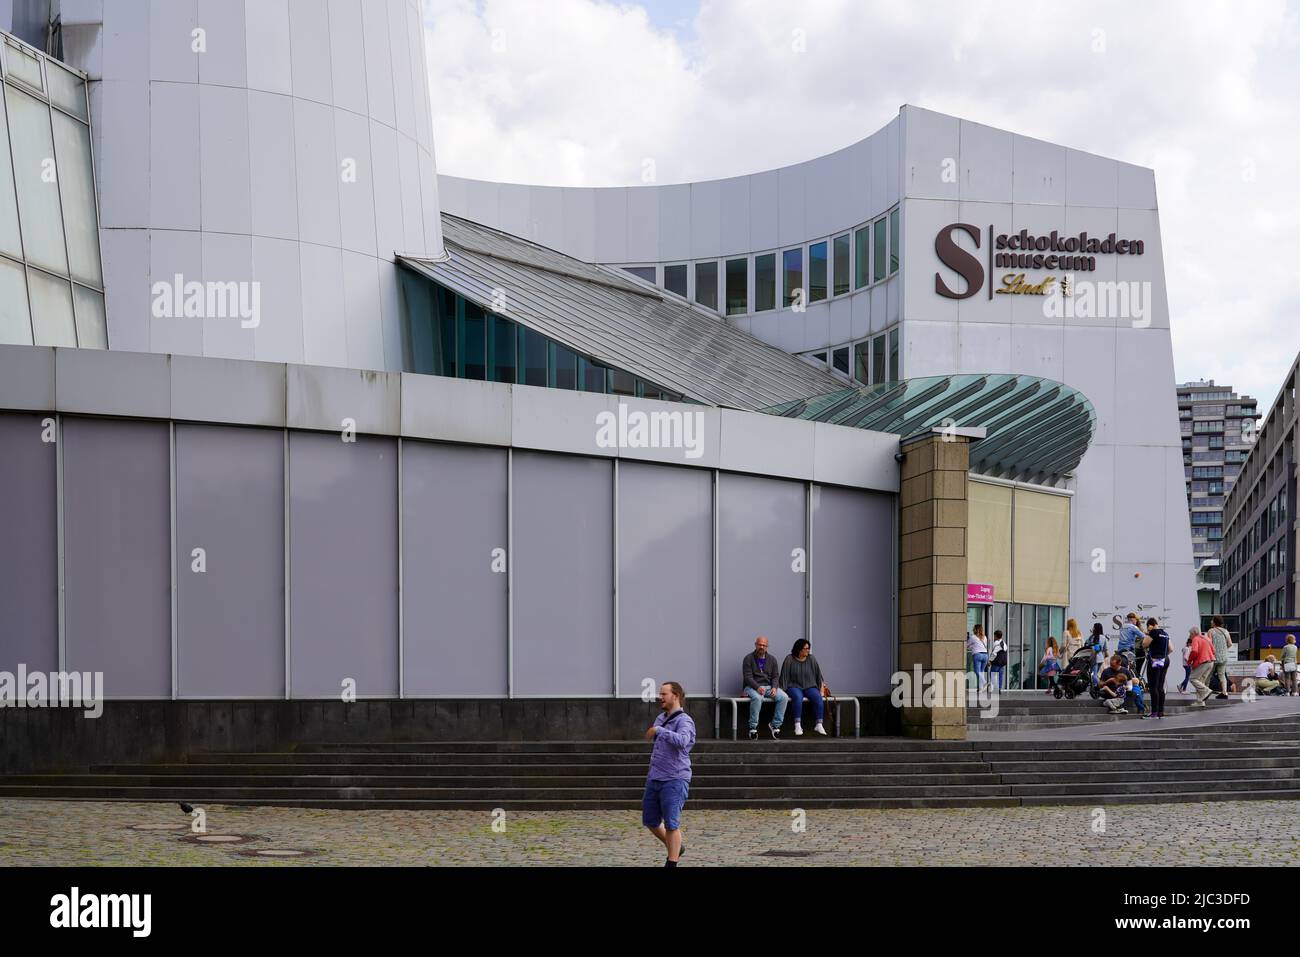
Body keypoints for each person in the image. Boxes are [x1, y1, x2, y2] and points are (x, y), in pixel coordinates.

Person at [643, 681, 695, 867]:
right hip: (655, 777)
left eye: (664, 694)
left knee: (672, 823)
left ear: (676, 696)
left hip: (675, 777)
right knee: (650, 820)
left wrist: (660, 730)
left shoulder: (685, 721)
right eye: (660, 693)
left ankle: (671, 862)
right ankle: (676, 846)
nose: (660, 697)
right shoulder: (660, 717)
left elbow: (682, 741)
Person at [741, 635, 788, 740]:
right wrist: (757, 687)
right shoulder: (748, 658)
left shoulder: (772, 659)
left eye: (764, 645)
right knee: (758, 698)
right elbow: (747, 677)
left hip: (768, 687)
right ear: (755, 645)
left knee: (784, 697)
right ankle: (753, 728)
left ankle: (775, 725)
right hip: (751, 687)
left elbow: (776, 676)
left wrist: (774, 688)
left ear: (767, 646)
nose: (761, 647)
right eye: (759, 644)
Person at [780, 639, 829, 736]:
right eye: (805, 648)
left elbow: (818, 674)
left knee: (818, 697)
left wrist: (821, 688)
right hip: (793, 686)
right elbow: (784, 675)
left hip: (810, 686)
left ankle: (819, 724)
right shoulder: (789, 659)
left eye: (808, 648)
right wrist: (782, 689)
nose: (808, 650)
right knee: (798, 697)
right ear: (799, 649)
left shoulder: (812, 659)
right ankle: (797, 725)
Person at [1142, 617, 1171, 718]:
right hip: (1165, 659)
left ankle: (1154, 712)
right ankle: (1160, 711)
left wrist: (1147, 634)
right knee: (1160, 686)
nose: (1148, 628)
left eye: (1148, 626)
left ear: (1151, 625)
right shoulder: (1165, 634)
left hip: (1156, 660)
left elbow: (1144, 644)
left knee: (1153, 686)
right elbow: (1171, 648)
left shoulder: (1153, 632)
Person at [1187, 628, 1217, 707]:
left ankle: (1206, 691)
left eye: (1190, 634)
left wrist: (1189, 661)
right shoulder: (1207, 638)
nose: (1189, 636)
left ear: (1193, 634)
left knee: (1192, 678)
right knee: (1200, 682)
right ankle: (1200, 702)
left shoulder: (1195, 639)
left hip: (1203, 662)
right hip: (1211, 662)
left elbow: (1194, 651)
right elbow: (1214, 651)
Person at [1207, 616, 1234, 700]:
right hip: (1223, 657)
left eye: (1212, 620)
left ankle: (1205, 692)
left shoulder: (1211, 631)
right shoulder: (1226, 631)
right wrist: (1223, 649)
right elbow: (1230, 644)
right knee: (1222, 676)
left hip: (1213, 657)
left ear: (1214, 622)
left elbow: (1209, 643)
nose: (1211, 622)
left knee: (1208, 675)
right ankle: (1224, 692)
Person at [1118, 612, 1146, 681]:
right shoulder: (1133, 627)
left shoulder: (1122, 626)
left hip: (1120, 650)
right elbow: (1143, 636)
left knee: (1122, 666)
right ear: (1133, 619)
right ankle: (1135, 682)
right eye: (1136, 620)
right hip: (1129, 650)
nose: (1136, 621)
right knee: (1133, 667)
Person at [967, 625, 989, 693]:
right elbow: (979, 645)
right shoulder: (985, 637)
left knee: (977, 671)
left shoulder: (973, 637)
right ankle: (980, 689)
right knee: (981, 672)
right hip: (985, 655)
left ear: (975, 629)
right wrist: (972, 647)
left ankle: (985, 682)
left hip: (977, 655)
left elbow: (967, 645)